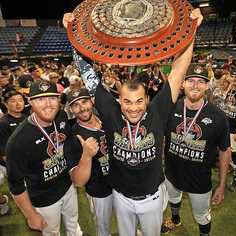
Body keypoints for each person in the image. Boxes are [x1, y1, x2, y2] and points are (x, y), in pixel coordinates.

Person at [63, 8, 203, 236]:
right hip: (121, 197)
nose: (134, 107)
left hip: (152, 197)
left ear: (147, 100)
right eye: (127, 101)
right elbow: (87, 73)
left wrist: (192, 28)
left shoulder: (157, 111)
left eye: (139, 101)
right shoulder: (110, 112)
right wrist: (72, 31)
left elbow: (179, 69)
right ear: (119, 100)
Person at [161, 64, 231, 236]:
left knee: (202, 216)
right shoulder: (170, 109)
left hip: (199, 180)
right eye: (191, 80)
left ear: (207, 86)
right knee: (173, 199)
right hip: (172, 173)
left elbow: (225, 151)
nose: (195, 85)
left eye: (200, 82)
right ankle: (176, 219)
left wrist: (221, 185)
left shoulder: (218, 117)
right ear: (183, 83)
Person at [6, 80, 82, 235]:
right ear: (30, 102)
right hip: (44, 199)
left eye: (52, 98)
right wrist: (31, 215)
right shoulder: (18, 141)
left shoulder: (61, 116)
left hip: (67, 186)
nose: (48, 104)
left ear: (59, 99)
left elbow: (66, 142)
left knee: (73, 224)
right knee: (52, 233)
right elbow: (16, 185)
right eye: (40, 99)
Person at [64, 88, 113, 236]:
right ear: (71, 109)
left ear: (92, 101)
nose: (82, 108)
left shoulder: (107, 119)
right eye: (75, 105)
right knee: (103, 227)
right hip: (99, 190)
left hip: (122, 183)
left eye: (84, 101)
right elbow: (78, 182)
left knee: (129, 218)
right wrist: (86, 155)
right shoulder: (73, 137)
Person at [0, 89, 26, 216]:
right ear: (5, 104)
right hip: (15, 167)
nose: (18, 103)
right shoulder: (3, 123)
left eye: (20, 100)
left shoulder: (27, 117)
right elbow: (5, 154)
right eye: (13, 101)